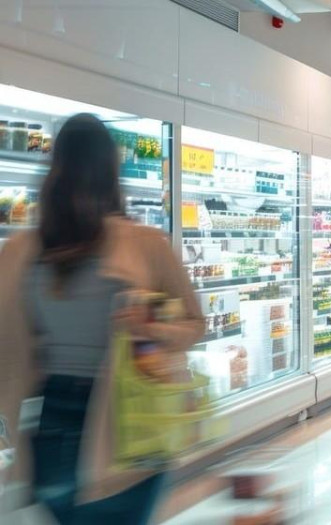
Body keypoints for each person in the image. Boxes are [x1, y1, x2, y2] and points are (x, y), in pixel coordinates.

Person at [0, 113, 205, 524]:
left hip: (56, 423)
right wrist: (152, 329)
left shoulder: (24, 252)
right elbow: (195, 324)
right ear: (112, 171)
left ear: (56, 169)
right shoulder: (146, 244)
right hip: (134, 423)